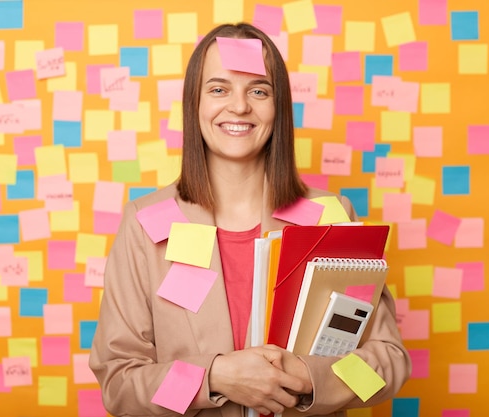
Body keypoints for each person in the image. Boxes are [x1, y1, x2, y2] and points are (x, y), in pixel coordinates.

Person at [89, 22, 411, 417]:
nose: (239, 106)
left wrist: (311, 379)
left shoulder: (331, 215)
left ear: (279, 106)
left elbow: (388, 364)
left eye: (258, 90)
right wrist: (214, 378)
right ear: (195, 103)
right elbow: (119, 386)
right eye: (219, 89)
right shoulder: (145, 223)